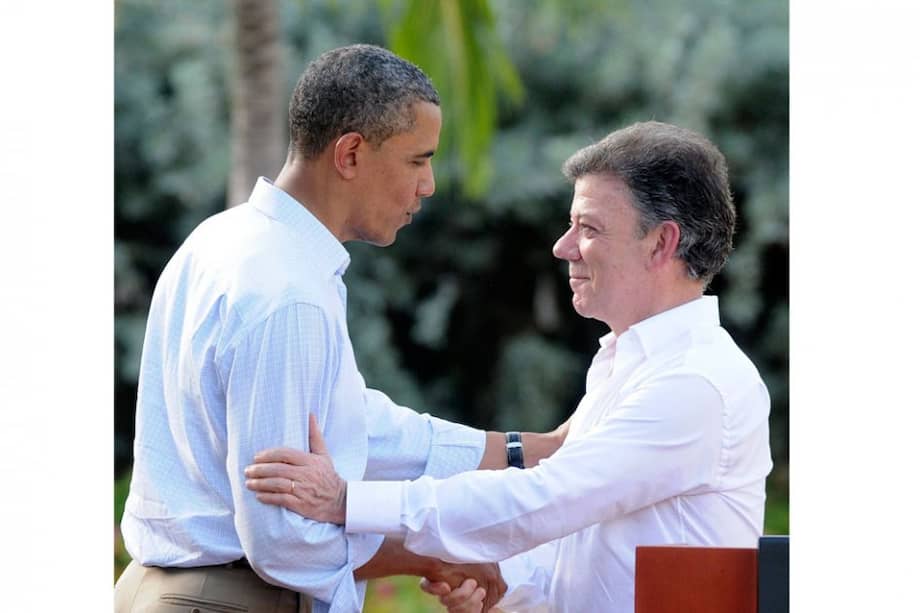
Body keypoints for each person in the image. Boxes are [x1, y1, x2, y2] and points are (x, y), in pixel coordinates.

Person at [243, 121, 774, 612]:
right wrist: (501, 591)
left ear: (662, 242)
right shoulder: (627, 363)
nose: (563, 247)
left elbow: (542, 500)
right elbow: (577, 552)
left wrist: (346, 500)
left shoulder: (696, 385)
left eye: (588, 228)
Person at [114, 44, 568, 613]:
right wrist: (431, 554)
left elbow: (354, 424)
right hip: (229, 600)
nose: (428, 185)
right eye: (417, 160)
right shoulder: (287, 295)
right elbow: (282, 538)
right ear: (351, 153)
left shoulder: (223, 241)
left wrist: (522, 451)